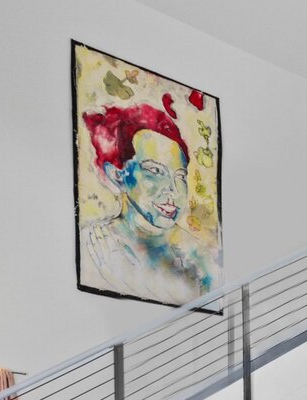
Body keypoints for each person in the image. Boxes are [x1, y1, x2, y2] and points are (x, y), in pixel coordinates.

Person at [79, 97, 215, 305]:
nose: (173, 189)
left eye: (180, 176)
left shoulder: (199, 259)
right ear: (118, 176)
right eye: (155, 171)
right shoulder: (92, 245)